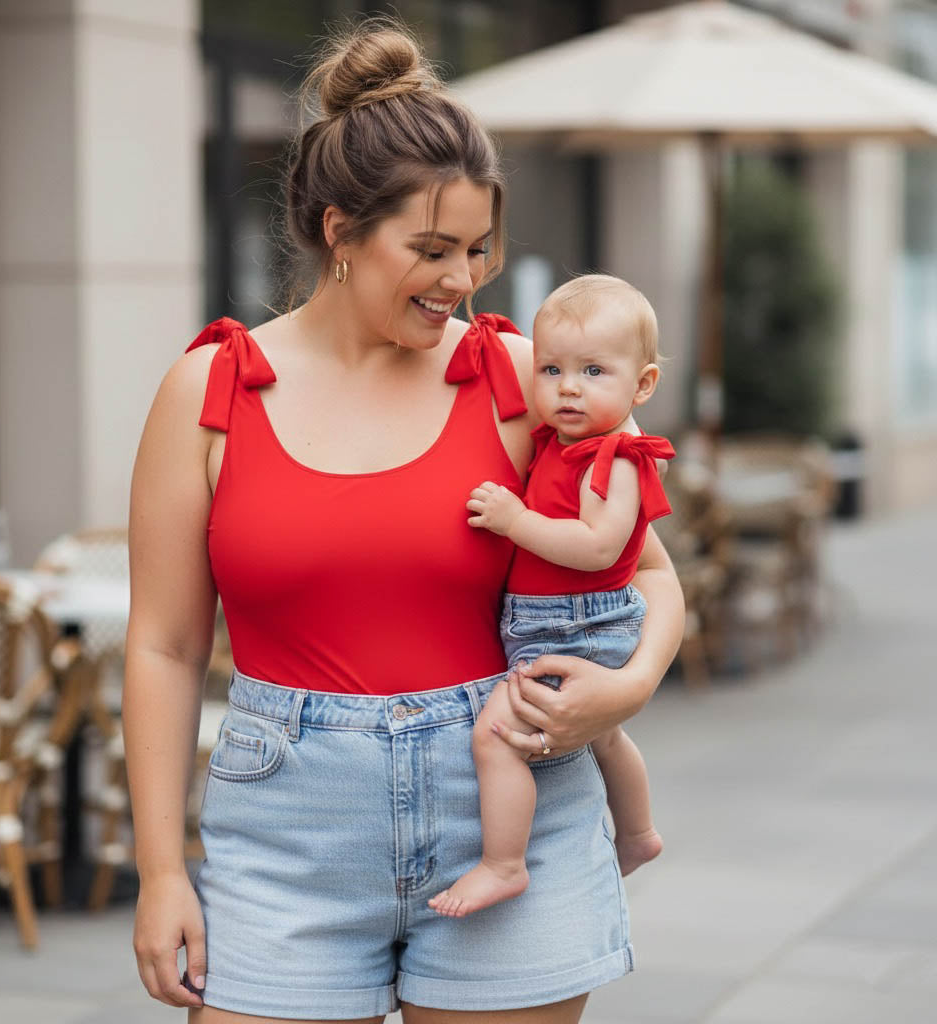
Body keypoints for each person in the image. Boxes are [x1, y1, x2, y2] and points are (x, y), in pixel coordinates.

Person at [124, 19, 684, 1024]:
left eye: (476, 249)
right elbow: (164, 646)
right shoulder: (210, 391)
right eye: (431, 250)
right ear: (340, 230)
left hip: (510, 810)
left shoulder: (526, 381)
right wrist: (162, 871)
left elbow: (646, 572)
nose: (461, 279)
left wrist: (626, 689)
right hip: (286, 834)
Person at [429, 275, 673, 920]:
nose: (568, 388)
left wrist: (515, 522)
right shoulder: (566, 444)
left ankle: (504, 865)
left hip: (577, 626)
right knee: (605, 736)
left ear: (642, 384)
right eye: (551, 369)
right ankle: (639, 833)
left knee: (497, 736)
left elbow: (598, 546)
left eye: (594, 371)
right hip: (558, 621)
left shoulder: (616, 458)